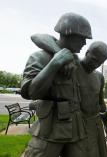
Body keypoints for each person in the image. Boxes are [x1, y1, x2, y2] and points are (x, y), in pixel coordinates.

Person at [21, 12, 91, 157]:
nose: (85, 43)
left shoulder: (74, 60)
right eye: (82, 38)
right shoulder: (40, 57)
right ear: (69, 33)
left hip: (76, 128)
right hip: (51, 128)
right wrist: (55, 63)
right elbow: (31, 92)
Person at [30, 34, 107, 157]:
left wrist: (106, 125)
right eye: (94, 59)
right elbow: (38, 37)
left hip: (95, 123)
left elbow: (100, 103)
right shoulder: (73, 64)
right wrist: (60, 54)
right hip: (78, 124)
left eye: (100, 62)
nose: (95, 64)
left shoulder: (99, 77)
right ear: (87, 52)